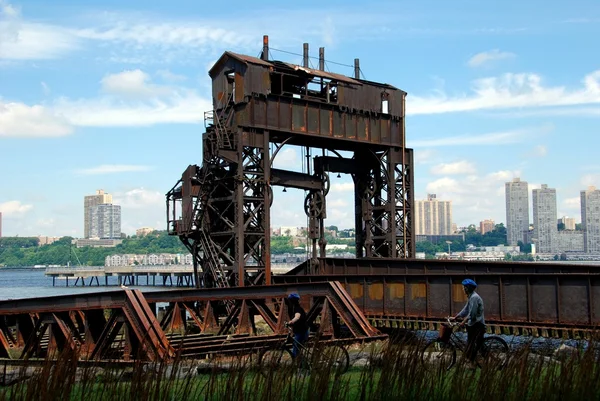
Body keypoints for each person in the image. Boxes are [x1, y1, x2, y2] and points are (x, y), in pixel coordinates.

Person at [450, 278, 485, 366]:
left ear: (467, 288)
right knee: (470, 343)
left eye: (464, 287)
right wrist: (456, 317)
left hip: (477, 324)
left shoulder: (474, 297)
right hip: (473, 324)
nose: (463, 289)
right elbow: (466, 309)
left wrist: (463, 322)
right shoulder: (471, 296)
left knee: (471, 343)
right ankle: (470, 361)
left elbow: (472, 314)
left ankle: (471, 362)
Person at [285, 293, 309, 358]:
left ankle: (299, 365)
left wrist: (291, 322)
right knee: (297, 348)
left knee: (296, 349)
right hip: (299, 332)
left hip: (302, 332)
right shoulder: (294, 308)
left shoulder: (297, 308)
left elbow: (297, 317)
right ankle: (300, 363)